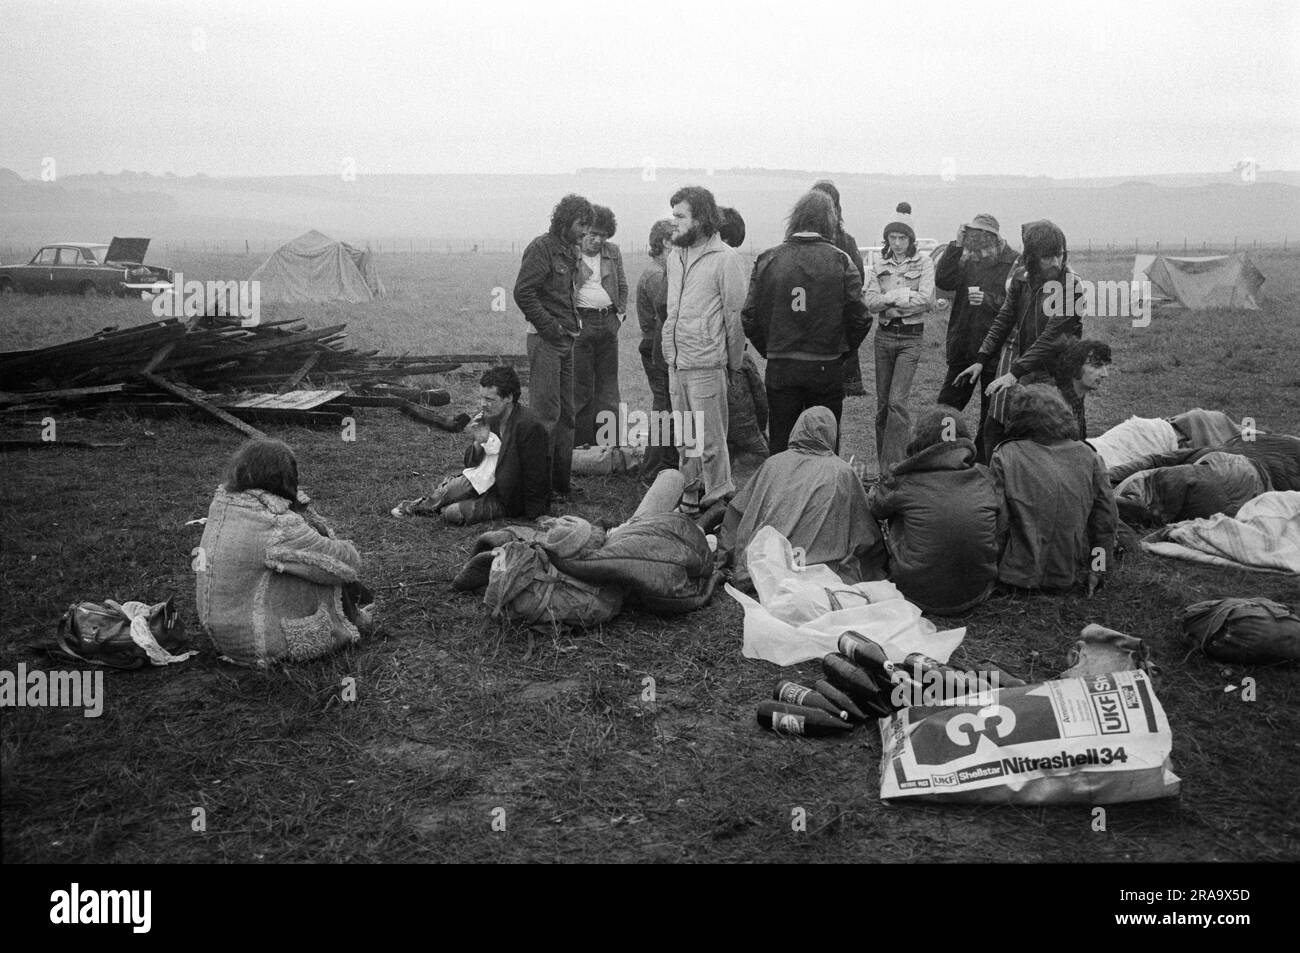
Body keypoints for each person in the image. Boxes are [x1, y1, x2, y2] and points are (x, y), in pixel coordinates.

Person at [196, 438, 374, 667]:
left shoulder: (226, 505)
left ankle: (357, 612)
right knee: (324, 567)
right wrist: (307, 516)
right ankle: (354, 619)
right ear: (284, 477)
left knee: (299, 562)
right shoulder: (275, 523)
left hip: (224, 635)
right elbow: (346, 564)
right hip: (259, 644)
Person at [742, 190, 869, 454]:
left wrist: (771, 349)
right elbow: (861, 317)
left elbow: (750, 315)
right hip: (825, 366)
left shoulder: (768, 259)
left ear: (795, 218)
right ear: (829, 221)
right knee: (823, 442)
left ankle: (780, 490)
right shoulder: (840, 260)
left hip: (781, 366)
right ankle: (823, 491)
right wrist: (841, 349)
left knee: (781, 439)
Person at [956, 219, 1086, 460]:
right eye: (1048, 257)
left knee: (1058, 438)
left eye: (1059, 255)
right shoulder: (1020, 278)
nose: (1055, 262)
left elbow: (1052, 337)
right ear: (1032, 257)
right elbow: (1004, 319)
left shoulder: (1072, 286)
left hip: (1059, 374)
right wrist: (981, 359)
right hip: (1028, 367)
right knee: (997, 427)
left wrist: (1014, 371)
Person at [720, 406, 883, 585]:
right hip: (817, 568)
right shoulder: (842, 471)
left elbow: (741, 511)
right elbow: (864, 529)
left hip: (765, 562)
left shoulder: (773, 464)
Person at [662, 185, 749, 509]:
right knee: (685, 441)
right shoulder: (675, 256)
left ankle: (717, 505)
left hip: (707, 364)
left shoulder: (726, 259)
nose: (674, 222)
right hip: (677, 363)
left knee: (711, 443)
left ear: (701, 218)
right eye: (673, 215)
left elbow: (734, 316)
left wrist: (733, 363)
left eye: (680, 215)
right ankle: (688, 500)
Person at [867, 408, 1001, 615]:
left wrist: (884, 483)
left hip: (915, 594)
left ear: (919, 442)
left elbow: (875, 508)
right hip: (978, 590)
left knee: (896, 511)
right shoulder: (985, 477)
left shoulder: (905, 481)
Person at [990, 385, 1117, 594]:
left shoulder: (1005, 455)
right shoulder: (1090, 455)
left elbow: (998, 523)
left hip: (1017, 578)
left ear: (1019, 418)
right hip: (1072, 573)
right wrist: (1098, 569)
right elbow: (1105, 520)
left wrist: (988, 573)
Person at [392, 366, 551, 524]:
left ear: (508, 398)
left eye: (489, 399)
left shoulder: (530, 426)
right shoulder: (488, 417)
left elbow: (536, 473)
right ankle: (422, 505)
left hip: (508, 496)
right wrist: (477, 443)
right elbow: (470, 463)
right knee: (447, 491)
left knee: (452, 514)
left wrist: (537, 514)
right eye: (481, 397)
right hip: (482, 479)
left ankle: (445, 509)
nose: (483, 404)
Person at [514, 193, 594, 500]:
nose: (585, 231)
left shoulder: (571, 252)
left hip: (567, 341)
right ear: (564, 220)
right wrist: (550, 328)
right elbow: (523, 292)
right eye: (581, 224)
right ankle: (539, 487)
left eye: (588, 225)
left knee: (566, 415)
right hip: (546, 341)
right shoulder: (541, 248)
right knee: (545, 415)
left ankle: (561, 484)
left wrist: (567, 329)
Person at [934, 213, 1019, 459]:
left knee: (989, 415)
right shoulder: (966, 256)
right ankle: (944, 455)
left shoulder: (1013, 263)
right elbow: (944, 280)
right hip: (963, 347)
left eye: (983, 252)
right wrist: (956, 245)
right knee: (947, 408)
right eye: (974, 253)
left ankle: (981, 464)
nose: (978, 258)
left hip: (995, 352)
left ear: (995, 242)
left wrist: (988, 301)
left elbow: (1017, 305)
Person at [863, 202, 935, 474]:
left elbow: (926, 300)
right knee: (883, 406)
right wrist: (898, 297)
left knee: (897, 402)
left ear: (911, 239)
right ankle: (884, 465)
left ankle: (899, 466)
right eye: (892, 237)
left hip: (910, 338)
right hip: (884, 337)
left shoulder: (924, 262)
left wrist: (890, 302)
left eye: (902, 237)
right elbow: (870, 301)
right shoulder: (879, 262)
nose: (896, 242)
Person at [1107, 431, 1300, 526]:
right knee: (1155, 494)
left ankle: (1100, 496)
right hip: (1245, 482)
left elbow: (1155, 459)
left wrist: (1106, 476)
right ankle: (1105, 499)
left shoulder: (1252, 441)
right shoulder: (1282, 450)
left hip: (1232, 469)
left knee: (1154, 486)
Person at [573, 204, 629, 446]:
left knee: (608, 386)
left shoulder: (612, 252)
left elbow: (623, 287)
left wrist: (619, 317)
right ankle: (582, 445)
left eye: (603, 235)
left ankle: (610, 443)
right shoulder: (570, 253)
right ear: (583, 231)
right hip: (580, 324)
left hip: (608, 322)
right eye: (592, 234)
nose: (597, 240)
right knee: (581, 386)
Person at [810, 180, 869, 396]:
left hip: (835, 327)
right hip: (810, 330)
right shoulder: (796, 244)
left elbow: (857, 285)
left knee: (830, 399)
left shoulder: (846, 243)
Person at [635, 219, 679, 482]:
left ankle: (661, 467)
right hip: (656, 350)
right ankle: (652, 469)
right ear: (665, 242)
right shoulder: (656, 275)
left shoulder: (659, 271)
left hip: (656, 347)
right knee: (663, 410)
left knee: (667, 408)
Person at [1053, 338, 1112, 441]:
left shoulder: (1076, 396)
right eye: (1097, 366)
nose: (1105, 374)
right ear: (1075, 365)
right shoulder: (1056, 405)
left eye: (1105, 366)